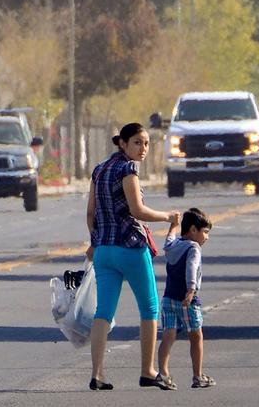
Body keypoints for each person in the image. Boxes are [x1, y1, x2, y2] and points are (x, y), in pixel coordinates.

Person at [85, 122, 180, 391]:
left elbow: (90, 215)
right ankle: (148, 371)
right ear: (123, 144)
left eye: (147, 143)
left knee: (103, 312)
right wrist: (168, 217)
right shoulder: (127, 169)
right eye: (137, 142)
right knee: (149, 309)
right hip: (130, 248)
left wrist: (96, 240)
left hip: (104, 251)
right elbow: (137, 210)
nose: (143, 148)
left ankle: (97, 374)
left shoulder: (99, 169)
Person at [157, 208, 215, 389]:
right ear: (192, 230)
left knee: (168, 336)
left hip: (168, 299)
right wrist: (191, 289)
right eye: (205, 232)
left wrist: (173, 225)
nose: (206, 237)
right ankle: (197, 376)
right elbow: (192, 266)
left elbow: (167, 243)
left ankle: (163, 374)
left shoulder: (173, 246)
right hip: (186, 300)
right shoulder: (193, 247)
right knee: (196, 335)